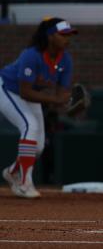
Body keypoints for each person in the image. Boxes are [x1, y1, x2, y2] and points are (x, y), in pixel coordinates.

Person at [1, 17, 77, 198]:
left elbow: (61, 94)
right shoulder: (32, 54)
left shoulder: (65, 60)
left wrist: (67, 101)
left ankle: (12, 172)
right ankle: (24, 183)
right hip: (7, 89)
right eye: (63, 34)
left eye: (70, 34)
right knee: (30, 126)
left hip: (31, 94)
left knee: (38, 147)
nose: (68, 38)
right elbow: (25, 92)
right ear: (50, 36)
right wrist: (56, 100)